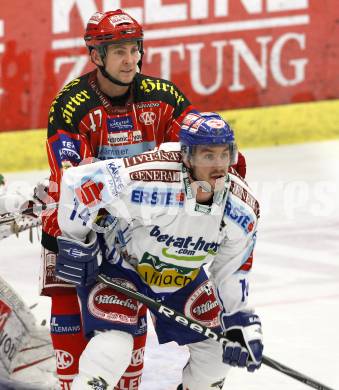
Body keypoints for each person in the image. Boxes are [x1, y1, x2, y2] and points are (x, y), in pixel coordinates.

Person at [40, 9, 198, 389]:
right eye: (120, 52)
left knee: (125, 318)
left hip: (141, 223)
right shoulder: (72, 103)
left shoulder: (162, 96)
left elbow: (202, 149)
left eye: (134, 50)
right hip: (81, 219)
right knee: (64, 279)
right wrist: (91, 228)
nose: (131, 60)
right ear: (96, 56)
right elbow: (70, 180)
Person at [55, 112, 263, 390]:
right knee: (112, 350)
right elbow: (75, 182)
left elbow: (231, 271)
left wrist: (240, 321)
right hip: (121, 267)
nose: (219, 165)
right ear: (187, 156)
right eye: (208, 155)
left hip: (183, 278)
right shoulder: (149, 174)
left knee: (216, 355)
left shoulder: (242, 208)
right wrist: (77, 242)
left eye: (224, 154)